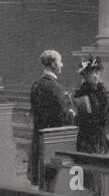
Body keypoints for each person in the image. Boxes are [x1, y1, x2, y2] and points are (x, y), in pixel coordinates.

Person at [74, 57, 109, 196]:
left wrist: (103, 131)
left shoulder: (104, 95)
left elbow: (108, 119)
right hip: (86, 140)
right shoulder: (80, 94)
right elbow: (81, 119)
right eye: (91, 73)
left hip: (100, 139)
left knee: (102, 175)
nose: (95, 76)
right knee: (88, 174)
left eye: (97, 73)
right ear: (85, 76)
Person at [28, 49, 76, 186]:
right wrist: (72, 113)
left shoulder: (36, 84)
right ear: (53, 64)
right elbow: (62, 116)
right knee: (52, 177)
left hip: (40, 134)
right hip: (54, 137)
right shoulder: (55, 87)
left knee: (42, 174)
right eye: (60, 62)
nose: (62, 65)